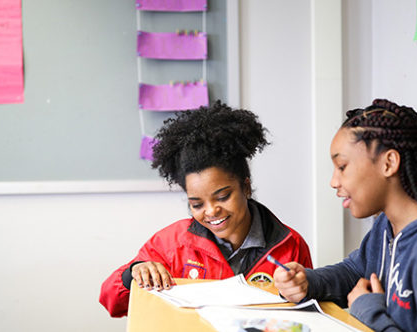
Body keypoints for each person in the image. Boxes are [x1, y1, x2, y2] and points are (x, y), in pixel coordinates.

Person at [274, 99, 417, 331]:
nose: (333, 182)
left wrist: (369, 312)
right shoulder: (387, 224)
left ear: (388, 163)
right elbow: (355, 271)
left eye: (342, 167)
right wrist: (308, 282)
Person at [99, 101, 312, 317]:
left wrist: (302, 292)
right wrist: (132, 274)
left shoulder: (290, 246)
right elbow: (111, 302)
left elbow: (309, 313)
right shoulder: (171, 244)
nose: (210, 211)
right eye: (197, 204)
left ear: (245, 187)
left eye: (222, 197)